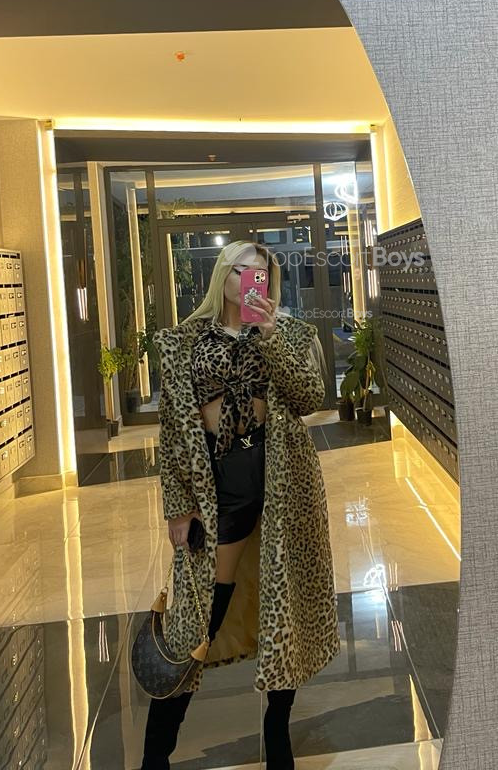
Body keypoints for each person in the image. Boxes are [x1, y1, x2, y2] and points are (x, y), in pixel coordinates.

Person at [139, 241, 340, 770]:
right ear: (222, 277)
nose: (252, 279)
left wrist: (271, 337)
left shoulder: (290, 333)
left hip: (281, 484)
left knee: (284, 611)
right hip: (218, 488)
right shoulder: (184, 341)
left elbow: (310, 398)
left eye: (262, 272)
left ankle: (278, 729)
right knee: (198, 617)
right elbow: (173, 432)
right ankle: (157, 749)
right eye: (241, 270)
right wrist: (177, 505)